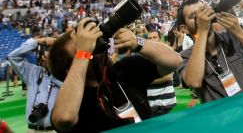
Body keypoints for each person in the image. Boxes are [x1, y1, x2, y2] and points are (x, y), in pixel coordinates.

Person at [48, 18, 182, 132]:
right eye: (80, 47)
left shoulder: (123, 71)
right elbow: (64, 118)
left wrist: (137, 43)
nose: (92, 47)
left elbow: (174, 61)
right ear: (68, 68)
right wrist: (83, 53)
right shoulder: (72, 100)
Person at [176, 0, 243, 104]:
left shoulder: (233, 38)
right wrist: (202, 31)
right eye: (193, 16)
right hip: (220, 118)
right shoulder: (185, 56)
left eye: (203, 11)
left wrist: (239, 32)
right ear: (184, 28)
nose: (202, 17)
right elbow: (193, 82)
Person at [7, 36, 61, 132]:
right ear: (42, 56)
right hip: (32, 130)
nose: (51, 55)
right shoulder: (33, 72)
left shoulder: (65, 75)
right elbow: (13, 57)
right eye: (48, 51)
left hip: (55, 130)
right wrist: (38, 41)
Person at [144, 30, 177, 116]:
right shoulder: (145, 56)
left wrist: (146, 81)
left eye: (154, 37)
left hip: (164, 102)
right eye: (149, 38)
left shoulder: (166, 54)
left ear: (160, 39)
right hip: (150, 102)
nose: (152, 40)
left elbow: (168, 76)